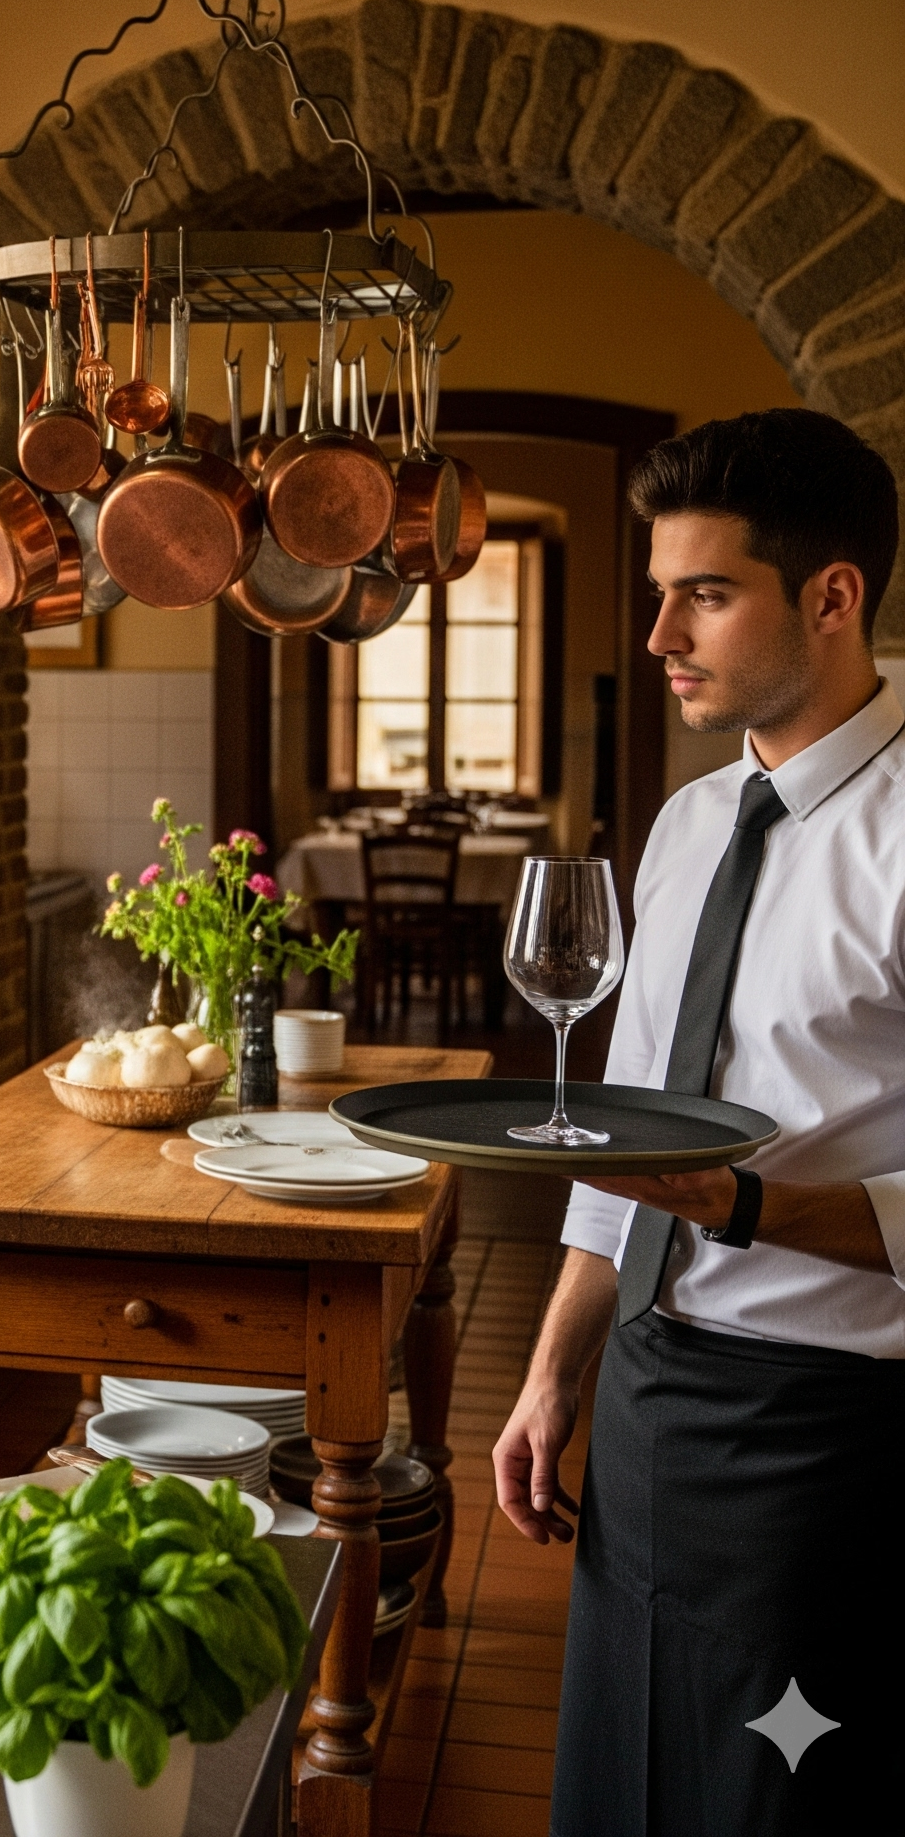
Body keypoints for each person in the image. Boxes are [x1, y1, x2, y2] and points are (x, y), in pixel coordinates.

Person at [491, 409, 902, 1832]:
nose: (661, 632)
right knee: (620, 1785)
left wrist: (748, 1207)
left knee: (776, 1805)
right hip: (650, 1401)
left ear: (832, 597)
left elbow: (701, 1185)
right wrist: (555, 1369)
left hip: (830, 1440)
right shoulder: (685, 825)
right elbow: (625, 1148)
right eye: (660, 590)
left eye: (705, 595)